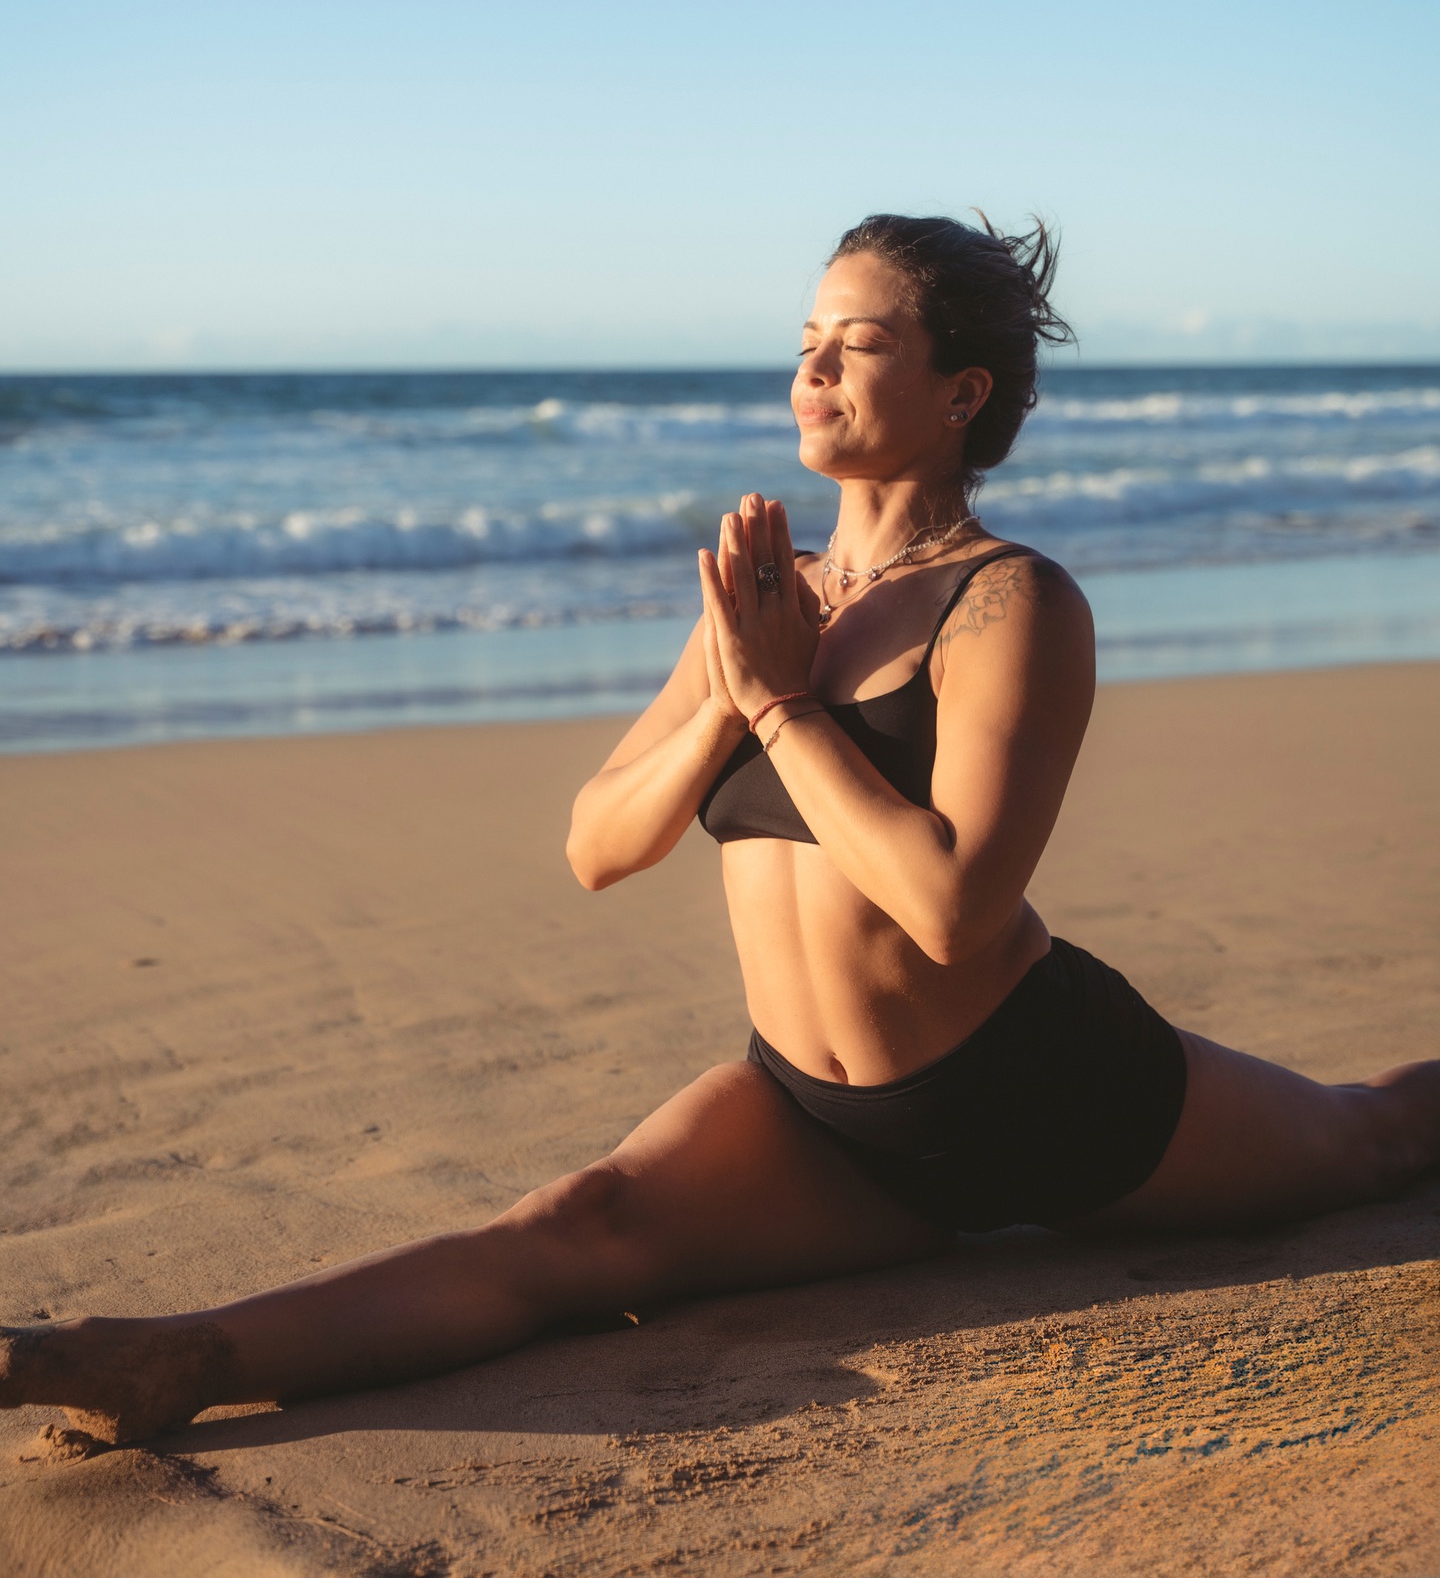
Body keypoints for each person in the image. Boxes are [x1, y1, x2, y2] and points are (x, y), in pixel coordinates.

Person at [4, 212, 1437, 1450]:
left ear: (962, 392)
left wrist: (779, 705)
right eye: (808, 339)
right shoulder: (767, 602)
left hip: (1039, 1086)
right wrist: (728, 699)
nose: (814, 367)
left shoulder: (1009, 601)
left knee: (1372, 1142)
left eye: (859, 344)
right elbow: (598, 844)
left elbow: (955, 911)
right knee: (569, 1232)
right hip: (819, 1118)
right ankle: (179, 1357)